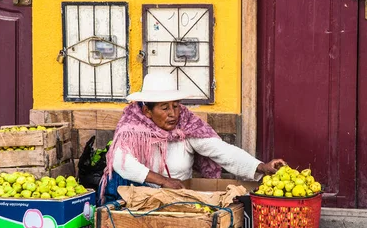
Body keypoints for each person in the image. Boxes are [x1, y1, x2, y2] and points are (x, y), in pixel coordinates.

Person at [99, 72, 286, 204]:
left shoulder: (186, 128)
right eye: (164, 108)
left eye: (176, 106)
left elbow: (222, 151)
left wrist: (261, 166)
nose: (173, 114)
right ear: (147, 111)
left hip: (180, 202)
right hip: (140, 203)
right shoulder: (131, 130)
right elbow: (121, 162)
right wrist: (163, 181)